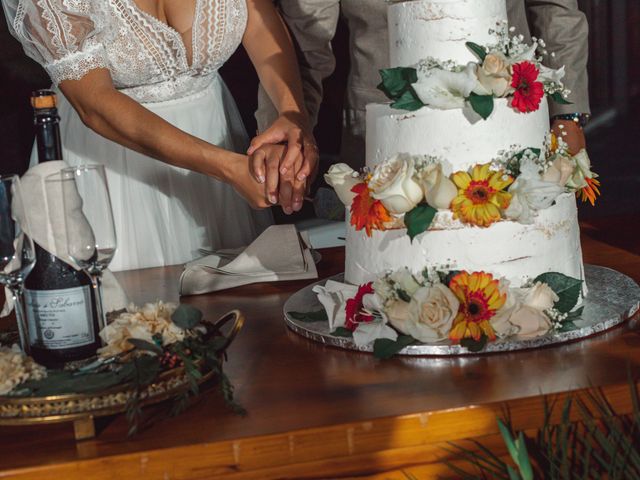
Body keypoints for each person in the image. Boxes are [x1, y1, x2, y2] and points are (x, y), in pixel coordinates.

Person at [2, 0, 317, 271]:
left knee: (241, 320)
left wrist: (291, 113)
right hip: (115, 173)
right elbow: (95, 106)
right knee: (139, 327)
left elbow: (258, 19)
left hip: (221, 145)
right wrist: (229, 168)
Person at [255, 0, 590, 171]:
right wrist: (286, 129)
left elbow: (553, 8)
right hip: (389, 136)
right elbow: (304, 41)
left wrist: (568, 113)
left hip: (509, 122)